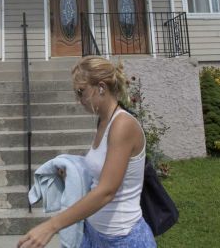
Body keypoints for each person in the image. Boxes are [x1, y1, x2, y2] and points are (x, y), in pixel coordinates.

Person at [18, 56, 156, 248]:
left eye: (81, 92)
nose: (78, 100)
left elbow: (106, 191)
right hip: (93, 235)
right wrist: (73, 171)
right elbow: (101, 172)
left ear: (101, 87)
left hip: (123, 240)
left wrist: (51, 226)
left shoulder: (122, 125)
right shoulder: (103, 122)